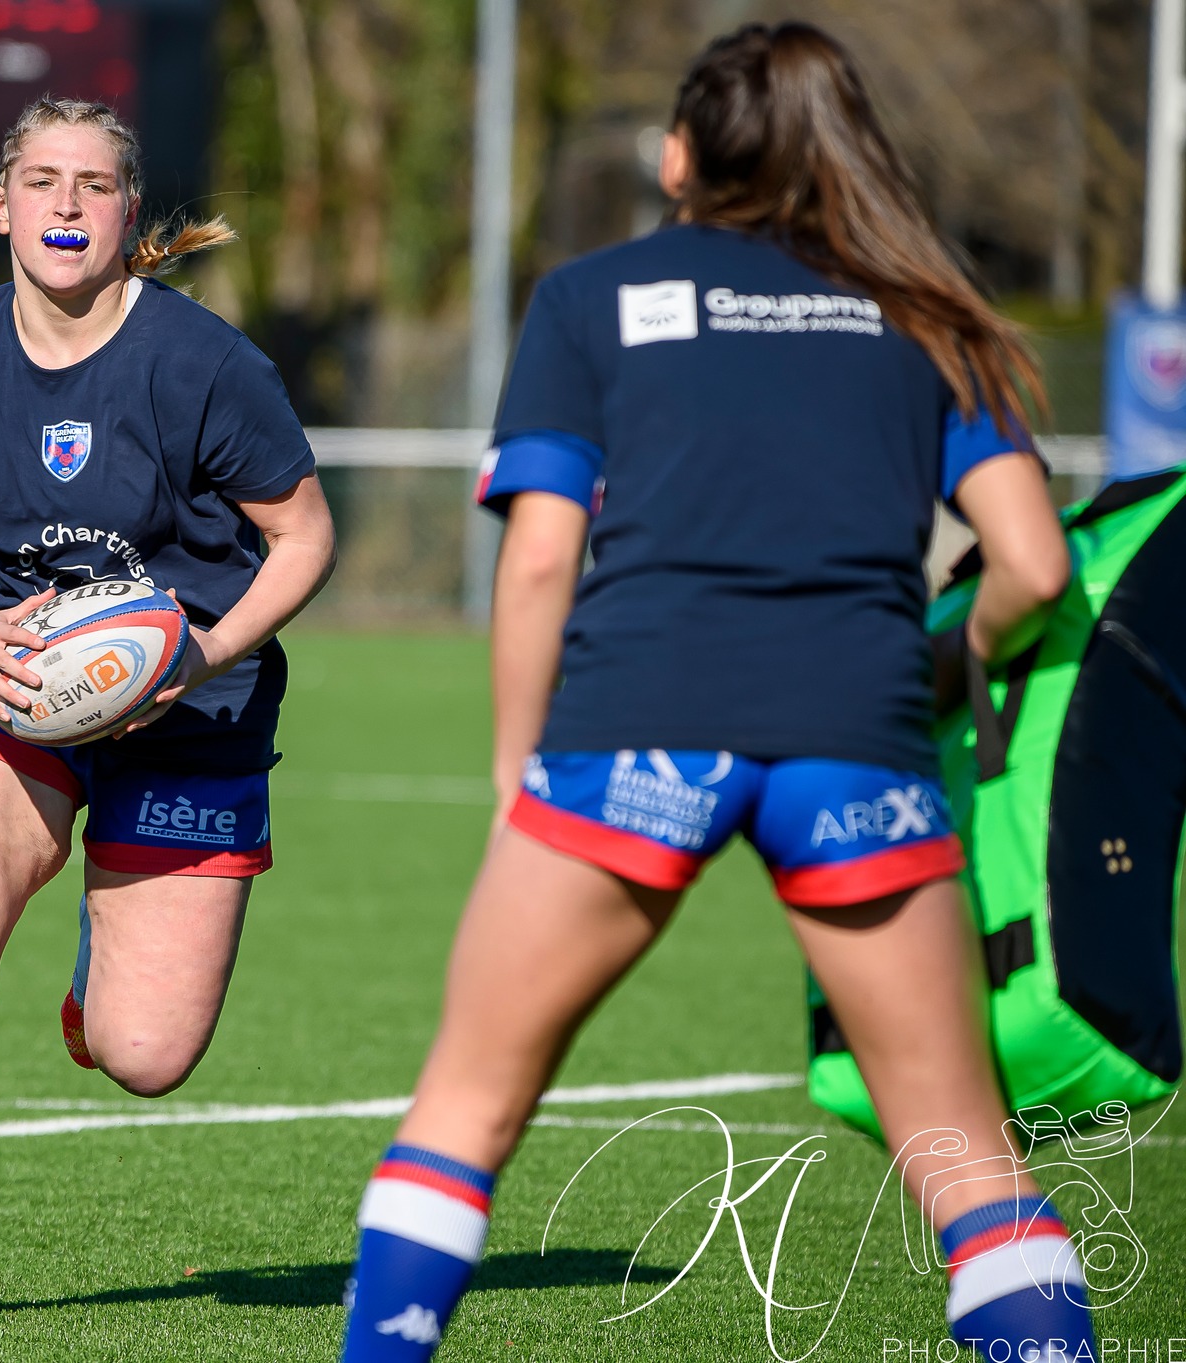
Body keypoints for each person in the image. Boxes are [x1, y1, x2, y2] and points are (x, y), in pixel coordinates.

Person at [339, 24, 1083, 1363]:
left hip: (632, 732)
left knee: (464, 1107)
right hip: (858, 742)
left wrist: (519, 769)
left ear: (679, 156)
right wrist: (955, 653)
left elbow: (542, 559)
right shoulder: (922, 308)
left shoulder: (590, 296)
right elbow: (1031, 561)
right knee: (969, 1159)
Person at [0, 96, 336, 1327]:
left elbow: (304, 537)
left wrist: (200, 653)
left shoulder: (205, 362)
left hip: (192, 707)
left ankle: (96, 967)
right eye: (39, 181)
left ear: (124, 214)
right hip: (15, 691)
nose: (64, 204)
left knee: (146, 1055)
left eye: (93, 185)